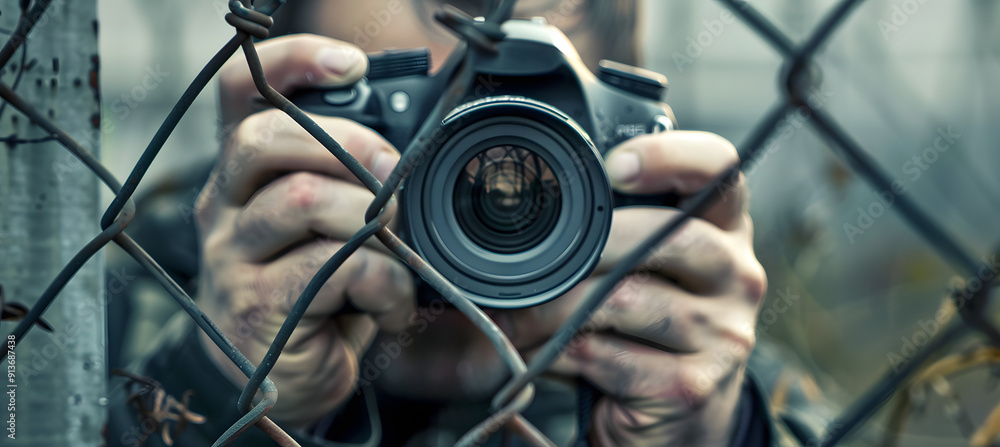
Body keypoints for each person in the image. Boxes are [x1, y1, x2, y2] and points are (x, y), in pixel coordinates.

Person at [109, 1, 804, 446]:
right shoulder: (117, 306)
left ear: (617, 147)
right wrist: (216, 389)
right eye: (404, 131)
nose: (472, 199)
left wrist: (723, 434)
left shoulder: (689, 357)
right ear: (286, 106)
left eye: (532, 143)